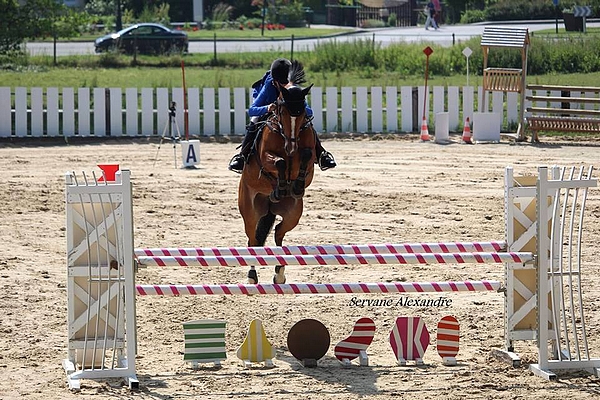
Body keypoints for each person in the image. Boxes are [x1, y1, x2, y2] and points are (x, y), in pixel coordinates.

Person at [228, 58, 336, 173]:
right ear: (275, 81)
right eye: (282, 84)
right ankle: (242, 157)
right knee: (254, 121)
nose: (285, 87)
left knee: (306, 121)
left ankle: (321, 155)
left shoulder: (293, 87)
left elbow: (309, 112)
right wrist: (267, 108)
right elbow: (252, 110)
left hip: (285, 112)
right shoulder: (269, 86)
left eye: (287, 84)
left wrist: (298, 106)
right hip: (266, 107)